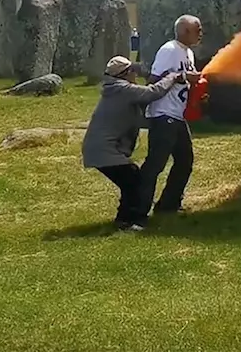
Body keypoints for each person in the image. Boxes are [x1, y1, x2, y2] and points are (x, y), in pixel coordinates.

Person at [80, 56, 191, 231]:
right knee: (133, 180)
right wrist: (173, 77)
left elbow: (139, 119)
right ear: (125, 74)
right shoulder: (122, 89)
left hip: (99, 148)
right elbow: (152, 92)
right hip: (104, 150)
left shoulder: (116, 90)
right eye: (132, 70)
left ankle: (124, 219)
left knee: (130, 181)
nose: (135, 74)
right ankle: (128, 221)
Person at [136, 14, 204, 223]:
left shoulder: (188, 53)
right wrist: (183, 77)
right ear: (184, 31)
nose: (201, 33)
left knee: (185, 161)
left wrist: (196, 92)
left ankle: (168, 205)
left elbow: (183, 83)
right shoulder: (169, 50)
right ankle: (137, 212)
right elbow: (153, 81)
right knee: (155, 164)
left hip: (178, 116)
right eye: (197, 29)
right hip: (163, 114)